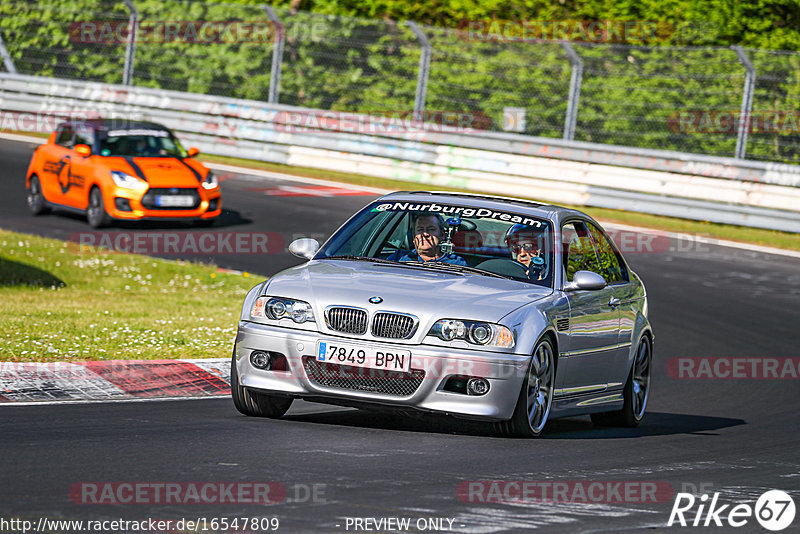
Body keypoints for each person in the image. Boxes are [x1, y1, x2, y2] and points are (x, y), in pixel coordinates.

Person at [387, 213, 467, 265]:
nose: (425, 234)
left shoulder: (456, 263)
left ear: (442, 235)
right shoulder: (399, 257)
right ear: (414, 236)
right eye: (420, 230)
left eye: (431, 229)